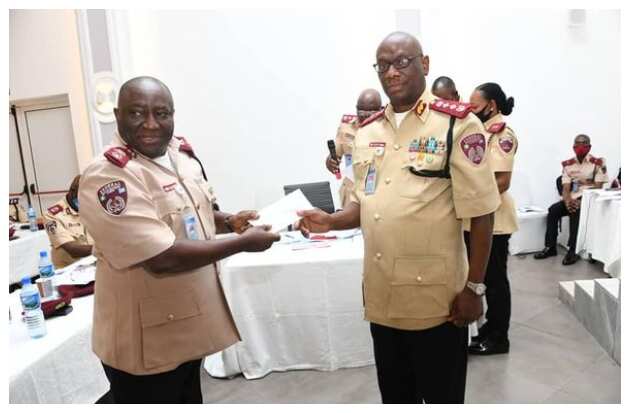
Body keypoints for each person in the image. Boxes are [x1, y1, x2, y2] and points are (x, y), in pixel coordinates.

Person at [296, 32, 500, 404]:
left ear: (424, 64)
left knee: (442, 399)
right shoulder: (368, 131)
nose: (392, 72)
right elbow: (364, 202)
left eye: (402, 62)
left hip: (438, 304)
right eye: (383, 65)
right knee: (396, 399)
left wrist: (475, 289)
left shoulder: (456, 125)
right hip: (383, 297)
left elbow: (483, 213)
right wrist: (332, 221)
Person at [78, 76, 280, 403]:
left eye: (162, 113)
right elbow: (161, 256)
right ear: (117, 116)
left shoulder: (179, 156)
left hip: (184, 326)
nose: (151, 124)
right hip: (145, 343)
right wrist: (243, 243)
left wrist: (228, 221)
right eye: (137, 113)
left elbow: (190, 214)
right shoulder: (110, 175)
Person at [464, 83, 518, 355]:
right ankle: (488, 329)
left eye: (475, 107)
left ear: (492, 106)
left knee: (495, 280)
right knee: (481, 277)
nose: (471, 111)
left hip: (494, 219)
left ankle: (499, 338)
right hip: (476, 217)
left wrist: (470, 198)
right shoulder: (480, 131)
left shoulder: (501, 134)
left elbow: (502, 180)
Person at [534, 134, 608, 265]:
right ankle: (550, 247)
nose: (581, 146)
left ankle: (573, 251)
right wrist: (567, 202)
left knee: (575, 211)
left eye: (584, 143)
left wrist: (579, 201)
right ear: (573, 146)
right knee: (553, 210)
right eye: (578, 143)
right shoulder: (568, 164)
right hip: (572, 199)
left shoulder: (598, 163)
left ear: (589, 146)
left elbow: (598, 187)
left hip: (589, 200)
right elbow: (565, 188)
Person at [326, 89, 382, 208]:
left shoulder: (388, 129)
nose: (365, 118)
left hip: (377, 195)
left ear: (381, 110)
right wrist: (331, 162)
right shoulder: (346, 128)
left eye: (370, 114)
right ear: (356, 109)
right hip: (350, 194)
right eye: (361, 113)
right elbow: (333, 156)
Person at [43, 175, 94, 268]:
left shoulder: (92, 206)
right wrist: (105, 250)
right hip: (69, 269)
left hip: (94, 264)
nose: (87, 201)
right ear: (73, 191)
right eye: (83, 197)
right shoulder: (52, 215)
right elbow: (72, 250)